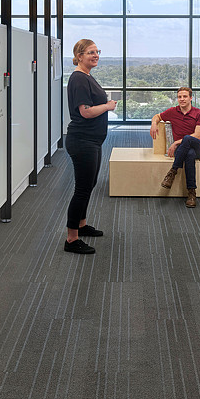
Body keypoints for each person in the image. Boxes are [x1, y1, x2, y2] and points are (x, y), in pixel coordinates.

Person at [64, 39, 117, 254]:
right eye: (90, 52)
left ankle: (82, 225)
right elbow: (85, 111)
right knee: (82, 189)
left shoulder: (86, 76)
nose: (95, 55)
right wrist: (107, 106)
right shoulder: (78, 79)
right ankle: (71, 239)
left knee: (89, 184)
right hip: (82, 141)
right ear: (79, 55)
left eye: (97, 52)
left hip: (92, 140)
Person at [150, 87, 200, 208]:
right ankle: (191, 193)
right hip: (184, 151)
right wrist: (154, 123)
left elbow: (197, 135)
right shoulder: (173, 111)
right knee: (189, 155)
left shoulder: (199, 113)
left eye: (185, 96)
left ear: (191, 98)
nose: (182, 99)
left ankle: (173, 171)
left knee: (188, 139)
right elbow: (157, 116)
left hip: (198, 147)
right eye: (180, 97)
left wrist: (176, 143)